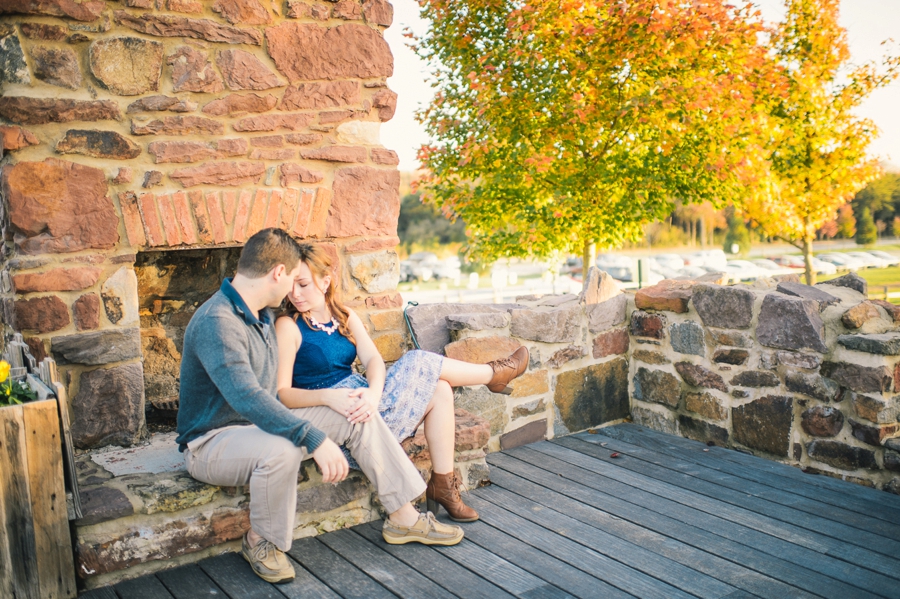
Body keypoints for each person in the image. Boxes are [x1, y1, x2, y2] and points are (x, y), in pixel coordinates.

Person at [176, 228, 465, 586]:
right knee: (280, 449)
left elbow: (271, 399)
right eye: (293, 279)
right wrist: (314, 438)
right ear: (278, 274)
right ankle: (261, 541)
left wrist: (337, 403)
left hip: (261, 424)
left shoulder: (262, 314)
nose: (294, 292)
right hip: (213, 441)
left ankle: (403, 517)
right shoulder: (218, 322)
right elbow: (248, 398)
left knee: (356, 410)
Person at [274, 242, 529, 523]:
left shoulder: (343, 316)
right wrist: (327, 397)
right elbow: (283, 393)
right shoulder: (289, 326)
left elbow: (373, 361)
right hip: (346, 423)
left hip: (367, 405)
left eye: (303, 284)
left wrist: (372, 393)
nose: (294, 294)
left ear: (325, 282)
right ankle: (493, 375)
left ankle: (443, 486)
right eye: (291, 285)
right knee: (417, 361)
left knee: (441, 389)